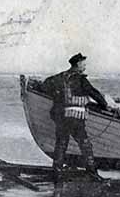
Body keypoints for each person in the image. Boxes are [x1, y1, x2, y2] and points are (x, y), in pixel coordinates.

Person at [43, 53, 109, 184]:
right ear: (77, 64)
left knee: (61, 144)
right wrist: (104, 105)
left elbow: (45, 85)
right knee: (85, 145)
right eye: (83, 64)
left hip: (61, 116)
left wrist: (58, 96)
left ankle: (57, 173)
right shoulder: (80, 79)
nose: (85, 66)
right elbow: (93, 92)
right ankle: (92, 173)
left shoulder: (59, 77)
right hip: (75, 117)